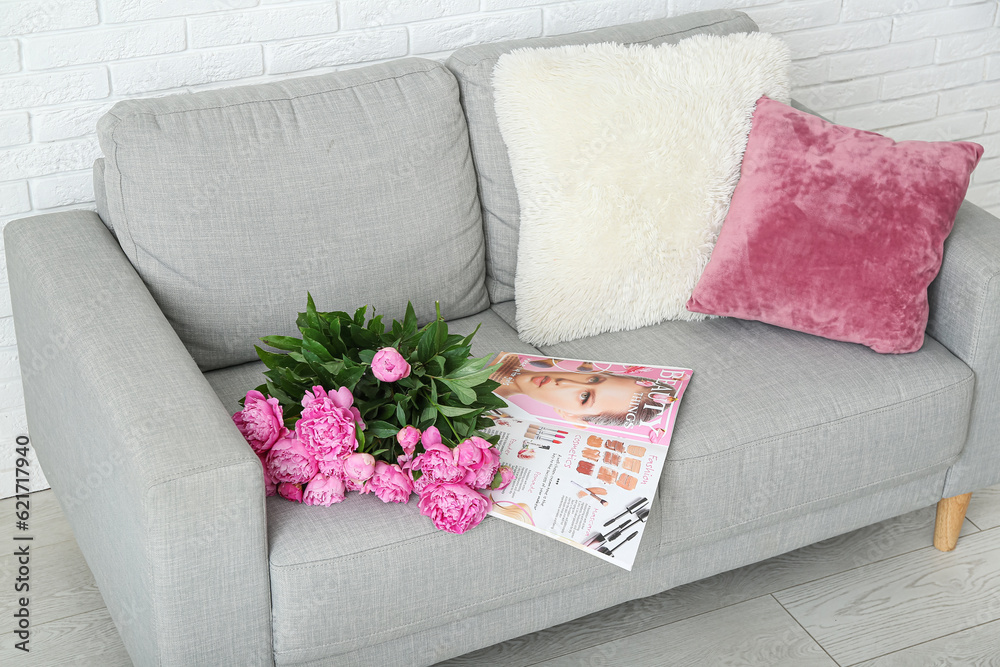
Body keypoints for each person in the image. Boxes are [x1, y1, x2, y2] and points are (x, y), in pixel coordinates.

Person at [490, 355, 675, 427]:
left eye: (584, 397)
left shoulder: (487, 408)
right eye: (594, 379)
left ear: (571, 416)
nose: (563, 381)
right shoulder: (508, 358)